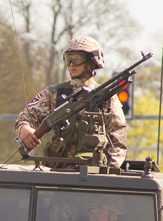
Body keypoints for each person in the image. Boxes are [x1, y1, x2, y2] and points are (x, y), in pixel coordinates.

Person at [15, 36, 127, 168]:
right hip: (56, 172)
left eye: (77, 59)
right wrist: (24, 128)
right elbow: (27, 116)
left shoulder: (106, 97)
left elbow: (118, 139)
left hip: (90, 175)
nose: (71, 64)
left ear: (92, 61)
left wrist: (109, 171)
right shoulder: (54, 93)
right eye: (69, 59)